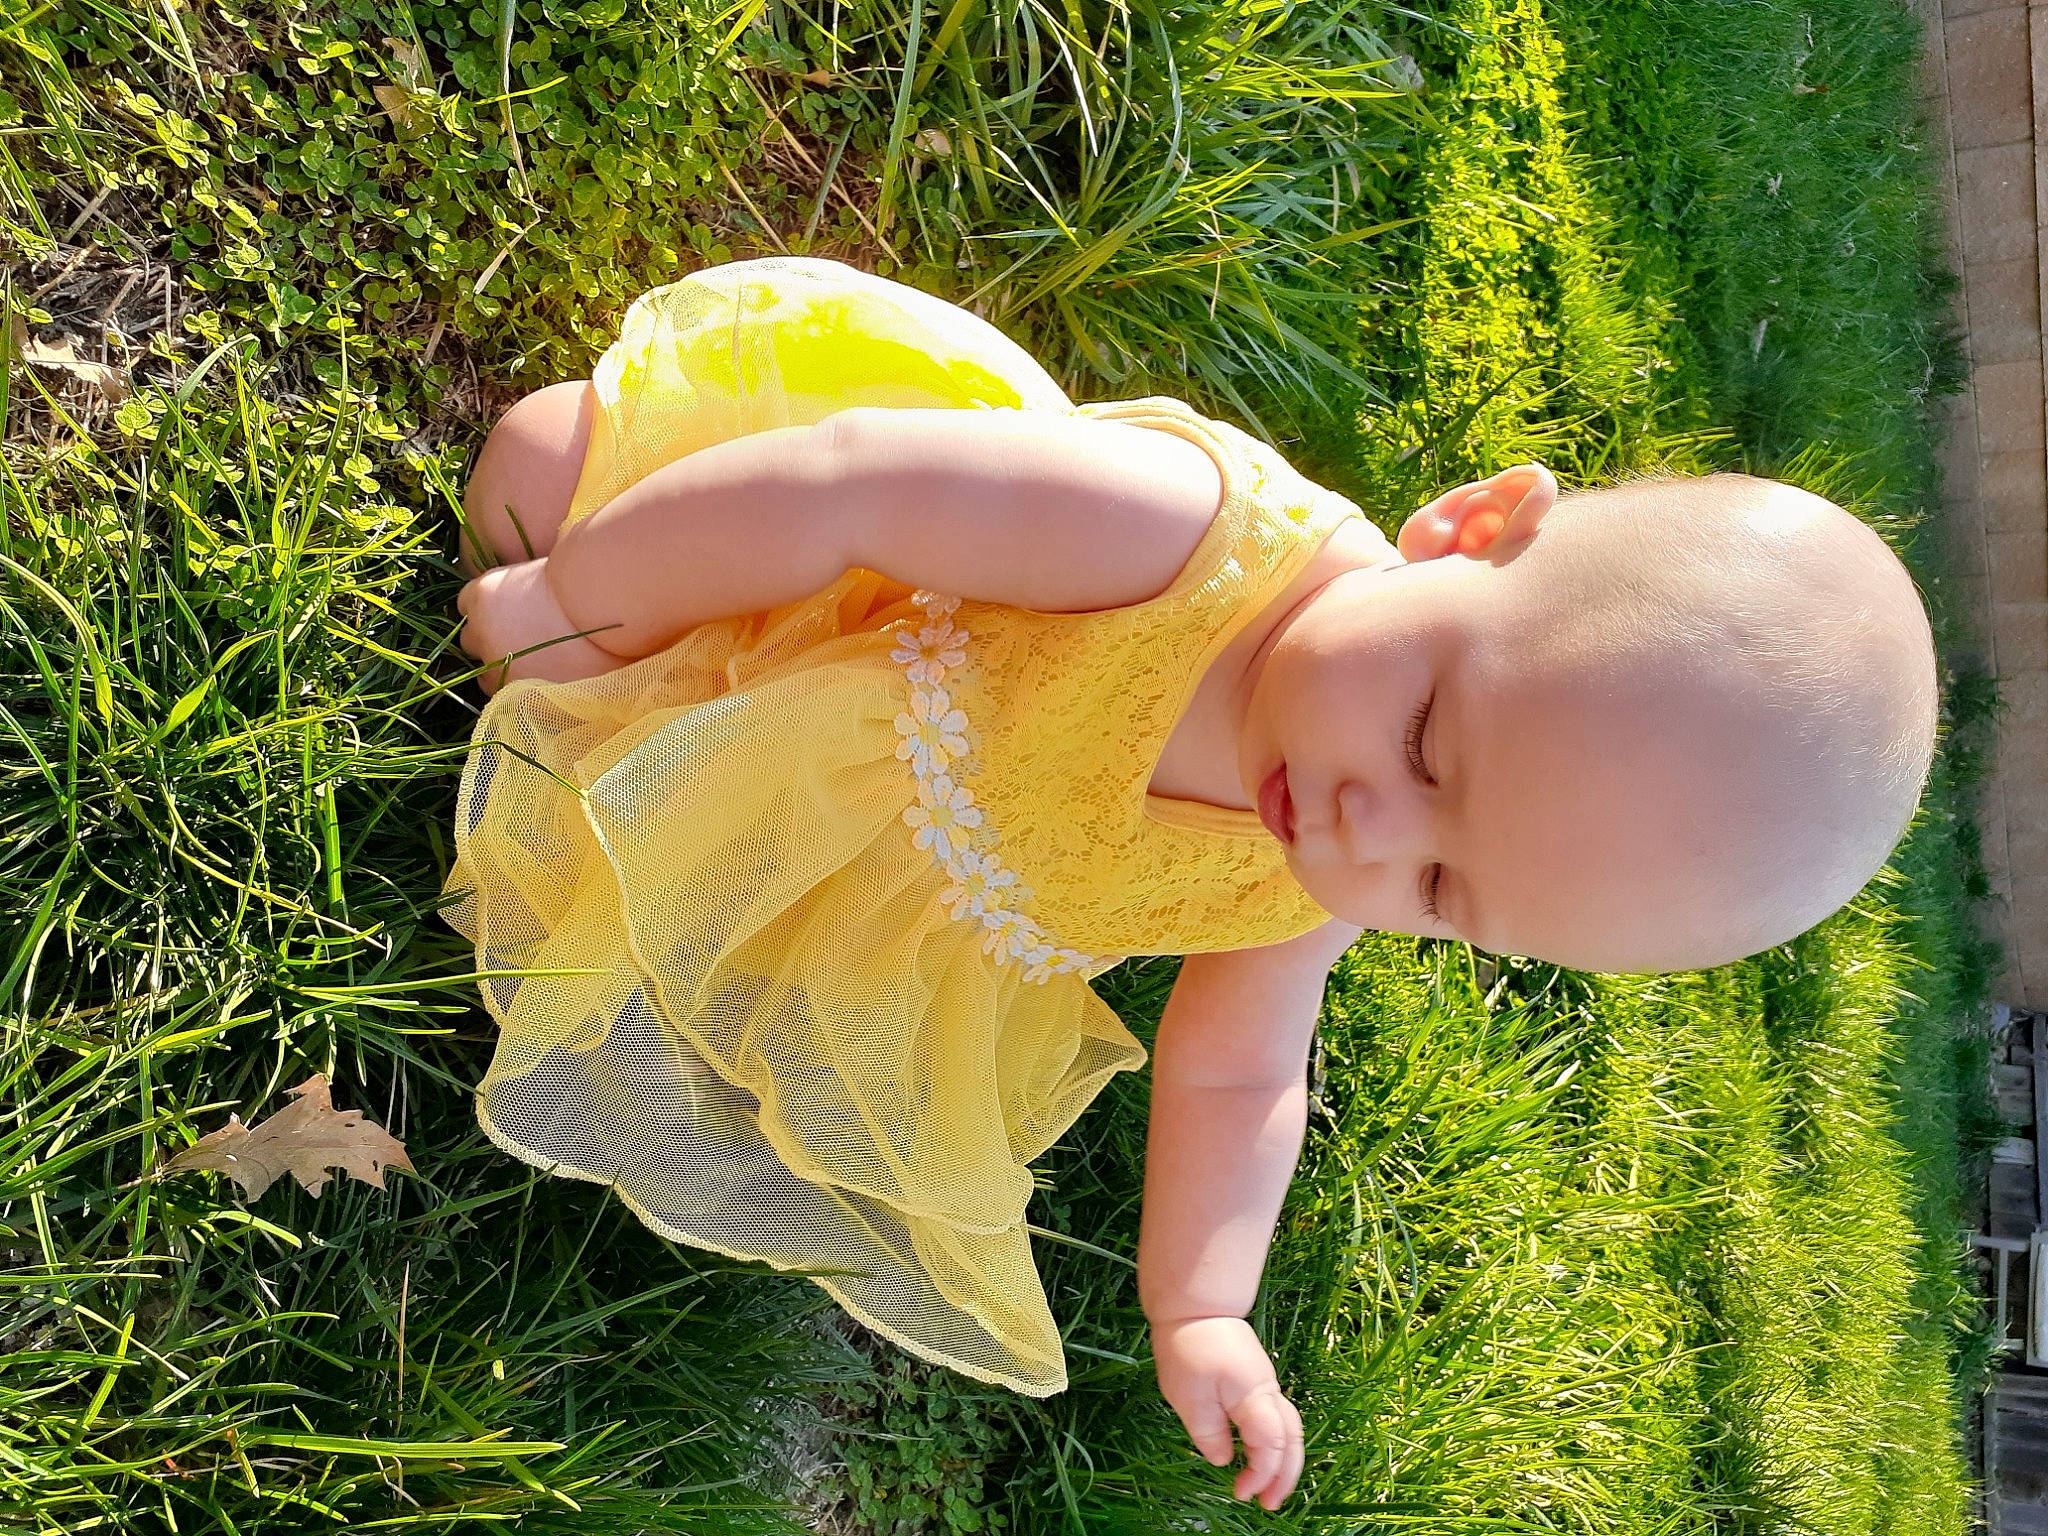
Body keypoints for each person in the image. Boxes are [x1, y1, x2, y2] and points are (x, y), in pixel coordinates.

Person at [445, 255, 1938, 1512]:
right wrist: (583, 606)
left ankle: (699, 865)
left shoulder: (1322, 866)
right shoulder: (1177, 535)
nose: (1363, 830)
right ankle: (608, 606)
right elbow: (847, 491)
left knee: (726, 1008)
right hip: (794, 601)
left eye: (1439, 888)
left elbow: (1239, 1075)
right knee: (541, 466)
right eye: (1424, 734)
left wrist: (1204, 1302)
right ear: (1470, 529)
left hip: (895, 843)